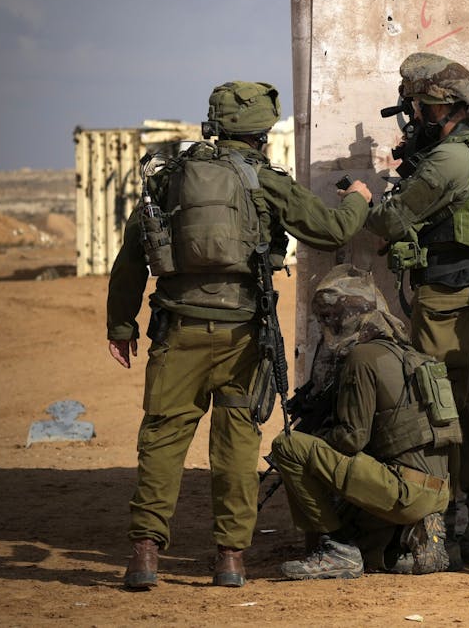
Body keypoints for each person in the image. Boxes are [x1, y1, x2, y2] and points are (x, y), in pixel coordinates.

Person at [107, 81, 371, 589]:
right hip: (244, 338)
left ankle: (144, 555)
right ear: (261, 131)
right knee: (236, 445)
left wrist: (121, 325)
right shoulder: (266, 180)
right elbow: (331, 230)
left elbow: (131, 258)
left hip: (176, 332)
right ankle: (230, 559)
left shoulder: (171, 178)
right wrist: (358, 199)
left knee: (161, 441)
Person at [364, 53, 469, 570]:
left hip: (444, 300)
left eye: (424, 108)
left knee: (434, 408)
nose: (417, 116)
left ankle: (435, 531)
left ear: (451, 109)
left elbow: (388, 220)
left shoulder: (448, 159)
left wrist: (361, 198)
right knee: (467, 405)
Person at [272, 265, 456, 579]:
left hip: (404, 491)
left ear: (346, 318)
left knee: (288, 446)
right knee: (364, 544)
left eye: (331, 319)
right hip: (437, 492)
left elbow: (352, 439)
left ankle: (336, 552)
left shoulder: (362, 357)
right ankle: (408, 537)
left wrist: (318, 437)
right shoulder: (410, 356)